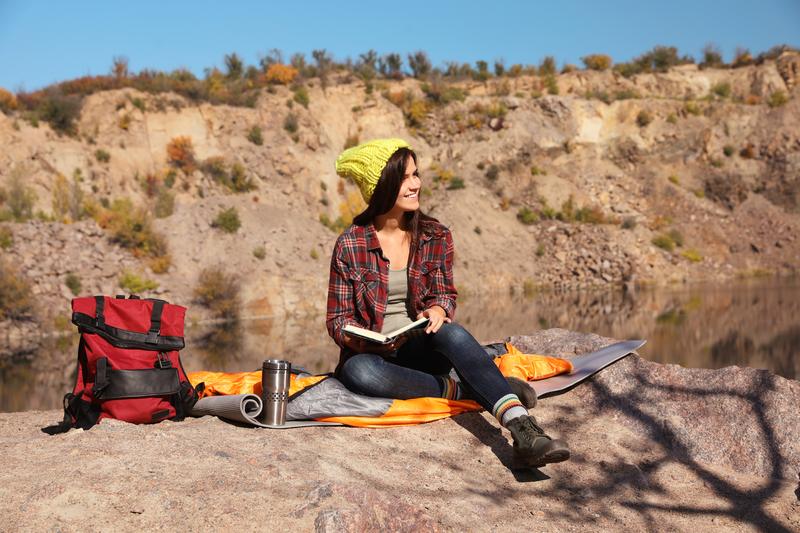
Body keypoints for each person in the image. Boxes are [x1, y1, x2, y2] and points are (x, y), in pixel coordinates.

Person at [326, 138, 569, 468]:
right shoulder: (350, 244)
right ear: (382, 186)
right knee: (357, 372)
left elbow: (443, 293)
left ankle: (524, 429)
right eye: (406, 178)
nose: (416, 184)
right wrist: (355, 338)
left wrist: (438, 309)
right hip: (376, 358)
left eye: (416, 174)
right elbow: (337, 319)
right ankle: (473, 391)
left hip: (423, 349)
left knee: (453, 334)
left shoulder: (434, 235)